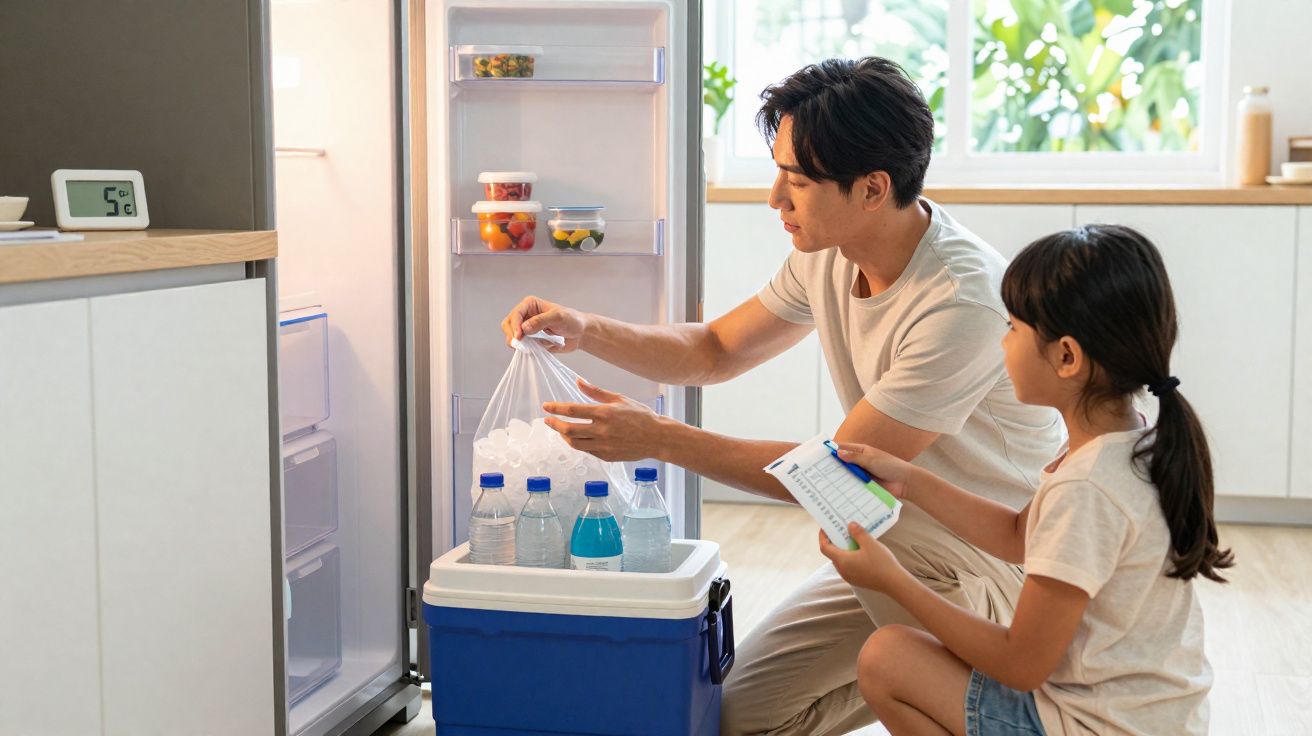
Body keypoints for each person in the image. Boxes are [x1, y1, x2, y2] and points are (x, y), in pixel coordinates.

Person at [500, 57, 1062, 734]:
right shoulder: (828, 249)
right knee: (731, 720)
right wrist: (586, 329)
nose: (775, 198)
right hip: (883, 546)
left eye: (796, 180)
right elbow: (716, 350)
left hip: (988, 573)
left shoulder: (960, 300)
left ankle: (1017, 711)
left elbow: (841, 473)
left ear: (873, 189)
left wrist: (658, 439)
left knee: (924, 690)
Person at [820, 225, 1230, 735]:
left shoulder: (1088, 489)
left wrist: (892, 581)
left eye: (1013, 328)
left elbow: (1020, 663)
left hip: (1094, 726)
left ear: (1066, 357)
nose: (1002, 341)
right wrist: (911, 480)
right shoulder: (1128, 442)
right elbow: (1019, 534)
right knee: (895, 655)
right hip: (1151, 718)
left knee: (887, 658)